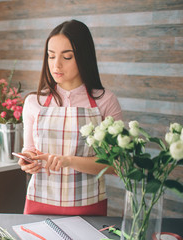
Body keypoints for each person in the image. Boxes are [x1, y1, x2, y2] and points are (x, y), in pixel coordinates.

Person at [18, 19, 122, 216]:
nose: (56, 65)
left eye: (67, 57)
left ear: (84, 57)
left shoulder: (106, 101)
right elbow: (29, 150)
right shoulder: (33, 102)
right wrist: (28, 161)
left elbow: (115, 165)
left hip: (88, 206)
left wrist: (67, 161)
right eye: (51, 56)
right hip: (39, 203)